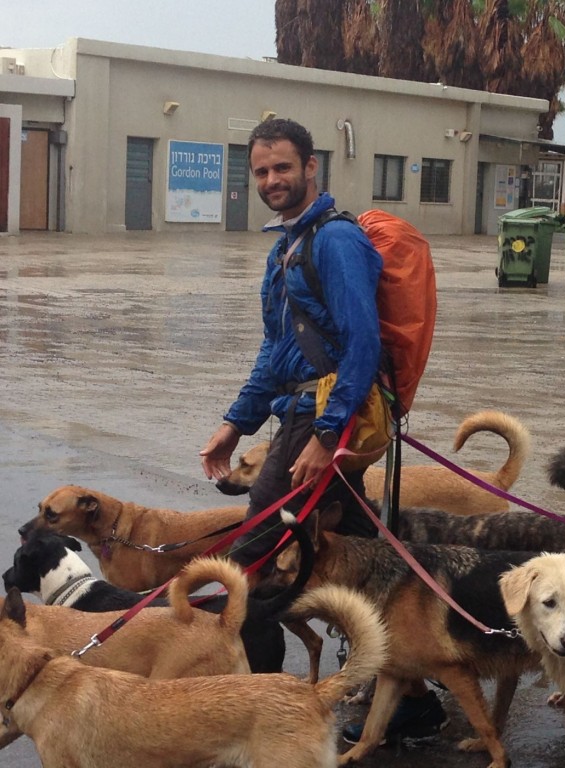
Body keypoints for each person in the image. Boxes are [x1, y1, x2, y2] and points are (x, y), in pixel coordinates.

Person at [199, 117, 447, 742]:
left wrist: (326, 436)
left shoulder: (335, 243)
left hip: (321, 419)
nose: (272, 180)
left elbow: (362, 344)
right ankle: (416, 688)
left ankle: (269, 714)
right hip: (301, 416)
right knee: (370, 560)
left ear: (313, 168)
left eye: (283, 167)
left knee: (247, 570)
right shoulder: (285, 246)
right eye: (261, 170)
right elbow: (277, 349)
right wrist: (236, 422)